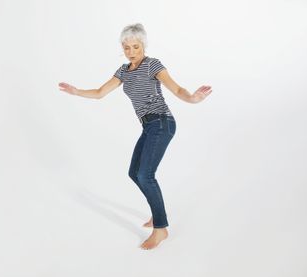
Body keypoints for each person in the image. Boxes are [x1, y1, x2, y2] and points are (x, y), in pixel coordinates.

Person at [58, 23, 212, 250]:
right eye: (127, 47)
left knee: (145, 175)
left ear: (143, 46)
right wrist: (77, 91)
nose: (131, 51)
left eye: (136, 47)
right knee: (135, 173)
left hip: (161, 122)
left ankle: (161, 229)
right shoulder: (123, 71)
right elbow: (101, 92)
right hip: (148, 126)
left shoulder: (152, 65)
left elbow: (177, 89)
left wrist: (193, 98)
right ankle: (157, 212)